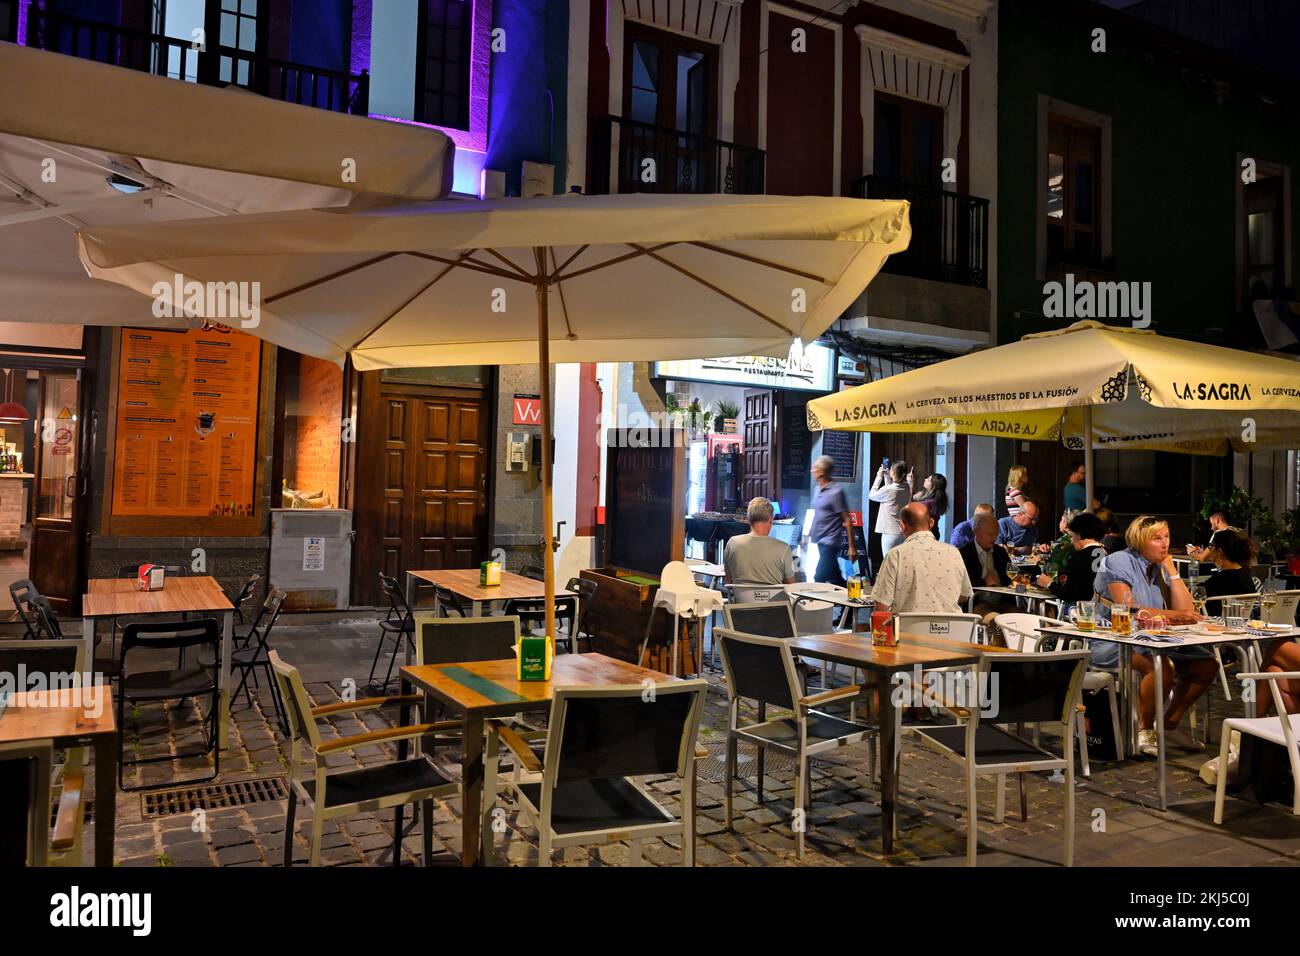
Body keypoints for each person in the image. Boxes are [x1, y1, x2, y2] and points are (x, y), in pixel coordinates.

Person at [1095, 515, 1214, 757]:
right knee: (1160, 665)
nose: (1164, 544)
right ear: (1140, 540)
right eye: (1156, 538)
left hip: (1155, 639)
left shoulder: (1159, 566)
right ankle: (1144, 729)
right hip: (1112, 638)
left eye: (1166, 537)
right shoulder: (1118, 562)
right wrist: (1177, 616)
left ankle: (1169, 725)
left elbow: (1186, 611)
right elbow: (1128, 609)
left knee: (1206, 665)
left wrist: (1171, 571)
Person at [872, 503, 972, 615]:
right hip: (952, 630)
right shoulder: (953, 552)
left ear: (902, 526)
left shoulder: (896, 555)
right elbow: (964, 595)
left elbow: (881, 606)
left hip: (907, 630)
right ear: (931, 523)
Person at [1037, 511, 1108, 609]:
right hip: (1102, 608)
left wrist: (1049, 584)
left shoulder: (1080, 556)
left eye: (1072, 535)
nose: (1071, 540)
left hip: (1083, 610)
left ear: (1078, 535)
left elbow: (1069, 595)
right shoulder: (1105, 552)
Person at [960, 511, 1017, 629]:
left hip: (1003, 603)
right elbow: (962, 586)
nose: (994, 538)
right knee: (998, 623)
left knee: (1024, 619)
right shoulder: (964, 553)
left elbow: (1010, 578)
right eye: (990, 534)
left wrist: (1018, 581)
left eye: (996, 534)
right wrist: (984, 582)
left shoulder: (1000, 552)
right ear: (976, 532)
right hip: (977, 604)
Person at [725, 497, 798, 586]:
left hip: (741, 599)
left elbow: (728, 581)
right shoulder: (784, 548)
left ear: (748, 519)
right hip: (776, 600)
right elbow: (791, 586)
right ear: (770, 519)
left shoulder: (732, 543)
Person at [808, 455, 856, 587]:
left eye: (815, 468)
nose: (812, 470)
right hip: (820, 539)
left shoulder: (836, 492)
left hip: (831, 541)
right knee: (834, 577)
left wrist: (852, 547)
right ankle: (851, 602)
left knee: (819, 576)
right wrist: (808, 535)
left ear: (822, 471)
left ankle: (819, 606)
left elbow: (847, 519)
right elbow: (817, 514)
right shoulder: (817, 489)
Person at [1201, 528, 1259, 617]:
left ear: (1220, 551)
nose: (1209, 550)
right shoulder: (1246, 575)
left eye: (1211, 546)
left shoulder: (1220, 580)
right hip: (1240, 625)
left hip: (1216, 626)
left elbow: (1193, 594)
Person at [868, 459, 912, 556]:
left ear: (894, 472)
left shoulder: (889, 490)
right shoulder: (907, 487)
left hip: (889, 532)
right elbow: (890, 490)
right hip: (902, 531)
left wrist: (878, 477)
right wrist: (887, 475)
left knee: (889, 562)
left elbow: (871, 495)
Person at [913, 473, 949, 540]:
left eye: (929, 480)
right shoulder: (936, 500)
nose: (925, 479)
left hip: (925, 535)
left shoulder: (927, 503)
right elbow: (915, 496)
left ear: (934, 486)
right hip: (934, 532)